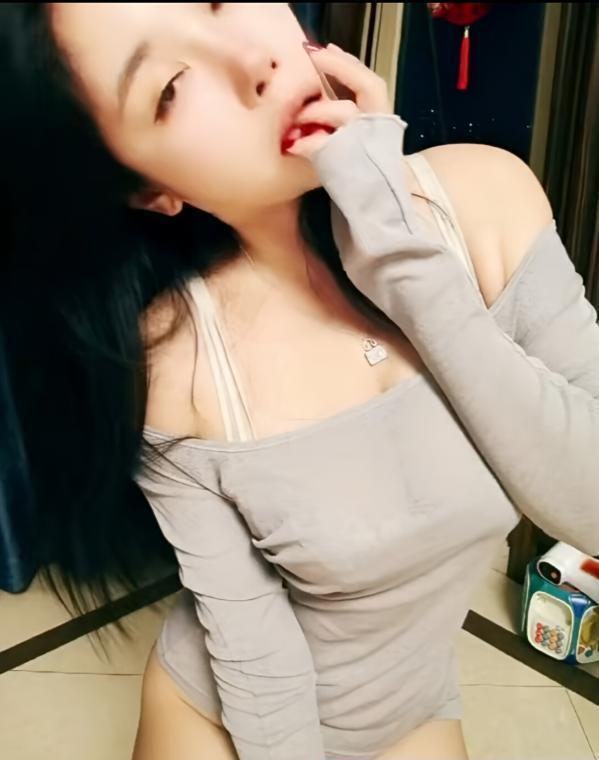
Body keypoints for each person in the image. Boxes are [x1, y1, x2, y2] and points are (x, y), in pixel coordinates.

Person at [2, 4, 598, 760]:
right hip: (223, 721)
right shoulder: (176, 362)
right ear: (149, 189)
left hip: (416, 706)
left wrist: (400, 254)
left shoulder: (486, 202)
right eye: (170, 87)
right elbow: (257, 657)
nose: (254, 62)